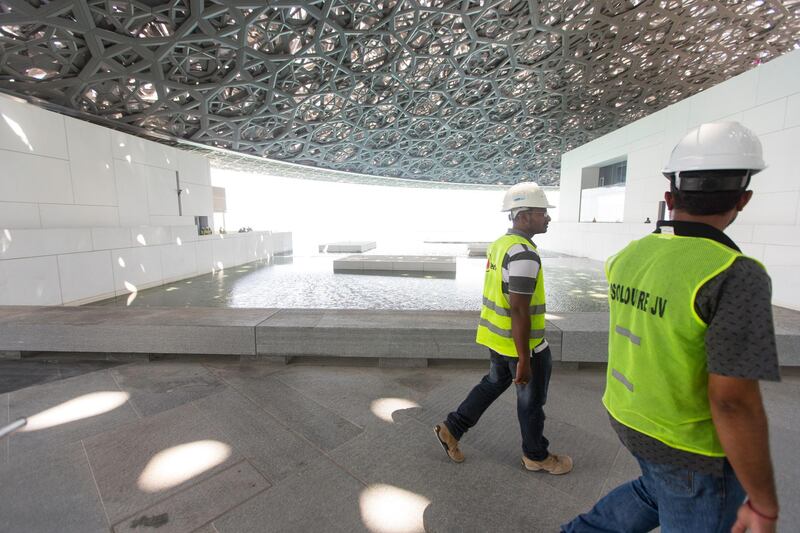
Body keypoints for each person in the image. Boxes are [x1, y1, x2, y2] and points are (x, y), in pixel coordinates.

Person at [562, 121, 781, 532]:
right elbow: (734, 403)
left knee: (658, 486)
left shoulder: (628, 256)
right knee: (677, 485)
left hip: (628, 416)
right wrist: (765, 502)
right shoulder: (736, 275)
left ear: (669, 196)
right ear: (744, 198)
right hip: (689, 445)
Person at [434, 182, 573, 475]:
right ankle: (536, 455)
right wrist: (524, 359)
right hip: (524, 346)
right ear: (522, 216)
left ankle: (452, 428)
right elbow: (519, 308)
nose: (547, 218)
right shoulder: (524, 253)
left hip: (497, 338)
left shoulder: (500, 245)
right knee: (531, 402)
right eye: (541, 212)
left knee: (493, 384)